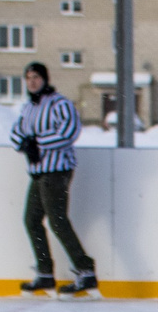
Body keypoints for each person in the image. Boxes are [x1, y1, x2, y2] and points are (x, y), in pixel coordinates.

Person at [10, 62, 95, 297]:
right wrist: (25, 144)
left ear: (45, 79)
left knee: (58, 221)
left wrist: (38, 143)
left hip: (57, 171)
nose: (32, 82)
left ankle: (85, 270)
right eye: (28, 78)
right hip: (38, 173)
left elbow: (69, 131)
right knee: (31, 220)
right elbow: (16, 132)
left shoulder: (60, 104)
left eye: (36, 77)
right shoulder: (28, 108)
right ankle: (46, 273)